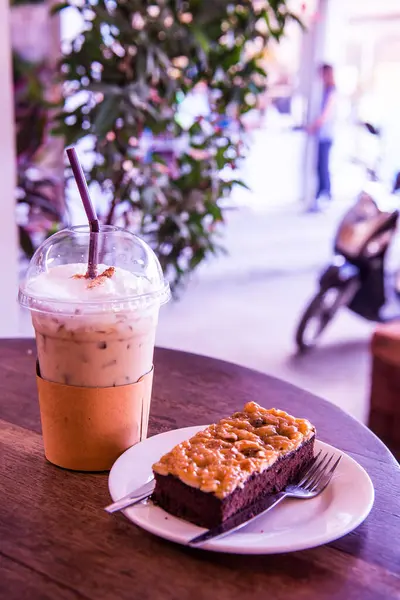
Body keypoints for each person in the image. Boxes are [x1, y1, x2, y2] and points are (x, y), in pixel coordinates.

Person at [307, 64, 337, 211]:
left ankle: (325, 195)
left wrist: (313, 126)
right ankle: (321, 195)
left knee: (323, 167)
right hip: (322, 135)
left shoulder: (331, 91)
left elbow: (325, 114)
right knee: (320, 166)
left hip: (326, 135)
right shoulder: (324, 91)